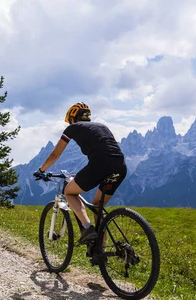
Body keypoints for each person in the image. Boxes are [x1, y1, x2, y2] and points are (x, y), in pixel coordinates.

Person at [34, 102, 127, 247]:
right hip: (120, 166)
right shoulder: (103, 127)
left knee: (69, 192)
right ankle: (100, 251)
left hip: (99, 165)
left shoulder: (72, 128)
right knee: (97, 206)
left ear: (72, 118)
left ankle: (87, 228)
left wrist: (41, 171)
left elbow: (55, 154)